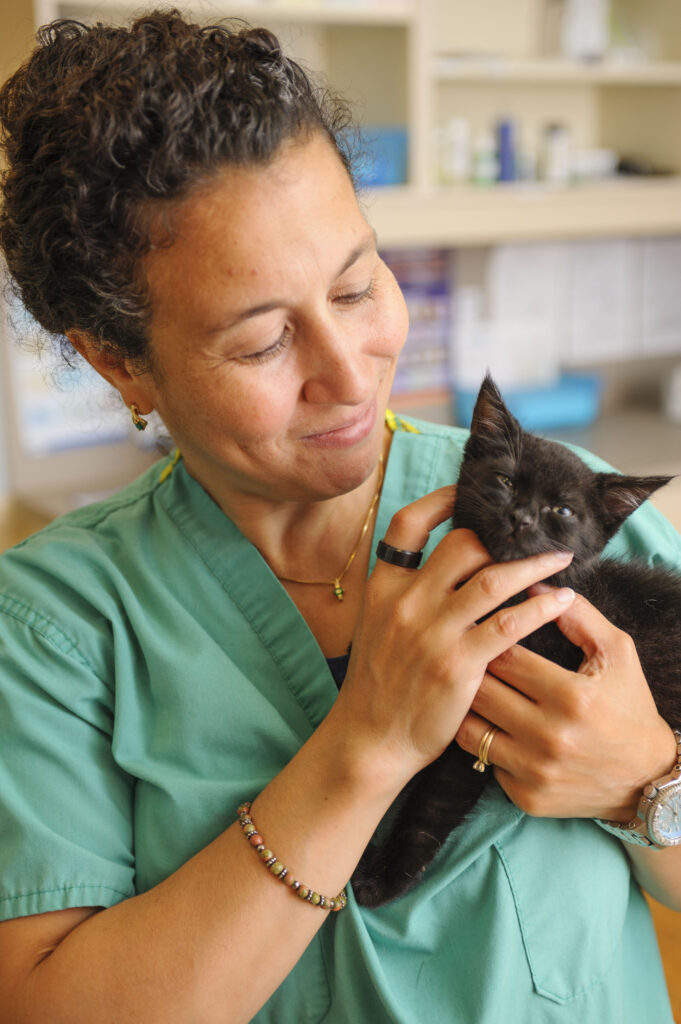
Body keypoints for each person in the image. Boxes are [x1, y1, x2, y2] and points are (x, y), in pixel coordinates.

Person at [0, 11, 679, 1023]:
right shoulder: (55, 623)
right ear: (116, 357)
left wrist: (647, 786)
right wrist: (365, 745)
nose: (348, 370)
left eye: (359, 284)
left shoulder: (565, 505)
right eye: (263, 343)